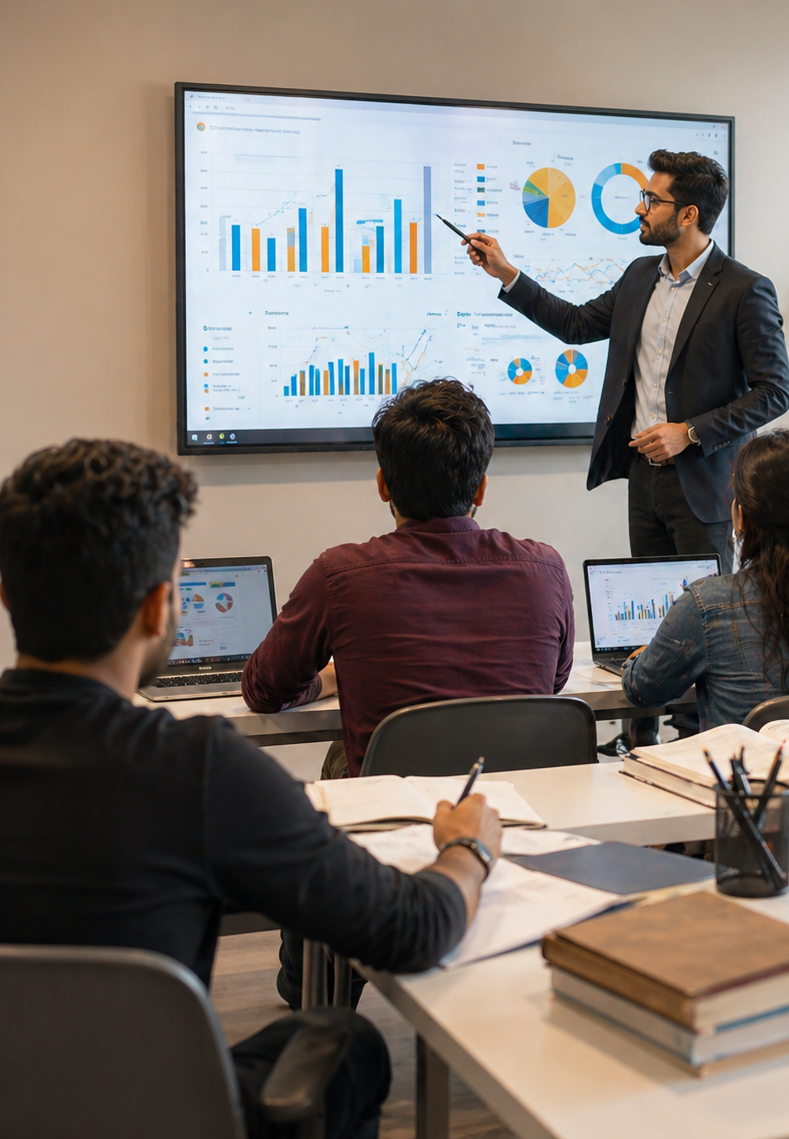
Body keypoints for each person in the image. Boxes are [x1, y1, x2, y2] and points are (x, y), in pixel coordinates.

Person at [0, 438, 502, 1139]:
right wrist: (466, 852)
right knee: (346, 1042)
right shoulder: (199, 771)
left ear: (6, 591)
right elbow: (412, 930)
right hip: (156, 1115)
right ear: (158, 609)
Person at [462, 149, 789, 575]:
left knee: (706, 616)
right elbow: (576, 325)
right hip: (644, 479)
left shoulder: (745, 289)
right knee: (648, 616)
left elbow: (774, 392)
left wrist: (689, 432)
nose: (640, 208)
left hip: (705, 484)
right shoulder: (639, 276)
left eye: (652, 201)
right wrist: (507, 273)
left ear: (689, 214)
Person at [243, 378, 575, 776]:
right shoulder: (546, 570)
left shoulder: (339, 576)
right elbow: (552, 684)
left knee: (339, 755)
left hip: (395, 814)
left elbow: (264, 690)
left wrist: (330, 680)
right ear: (481, 490)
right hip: (516, 808)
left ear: (383, 485)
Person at [620, 430, 789, 729]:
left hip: (740, 775)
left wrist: (637, 659)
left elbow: (643, 690)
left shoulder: (705, 606)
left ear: (740, 517)